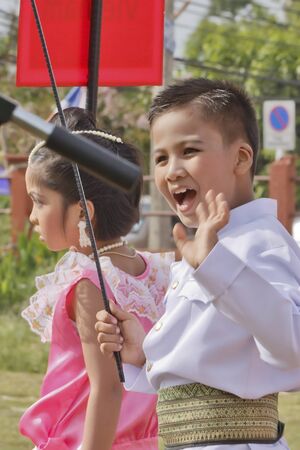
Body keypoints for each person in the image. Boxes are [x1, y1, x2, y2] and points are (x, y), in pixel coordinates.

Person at [95, 78, 300, 450]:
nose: (171, 170)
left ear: (241, 157)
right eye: (160, 157)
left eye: (189, 150)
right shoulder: (206, 246)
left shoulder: (261, 242)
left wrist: (214, 265)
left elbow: (294, 346)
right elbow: (203, 361)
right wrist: (142, 353)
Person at [19, 107, 174, 450]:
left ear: (82, 212)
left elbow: (107, 388)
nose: (32, 217)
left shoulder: (90, 283)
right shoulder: (151, 271)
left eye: (39, 202)